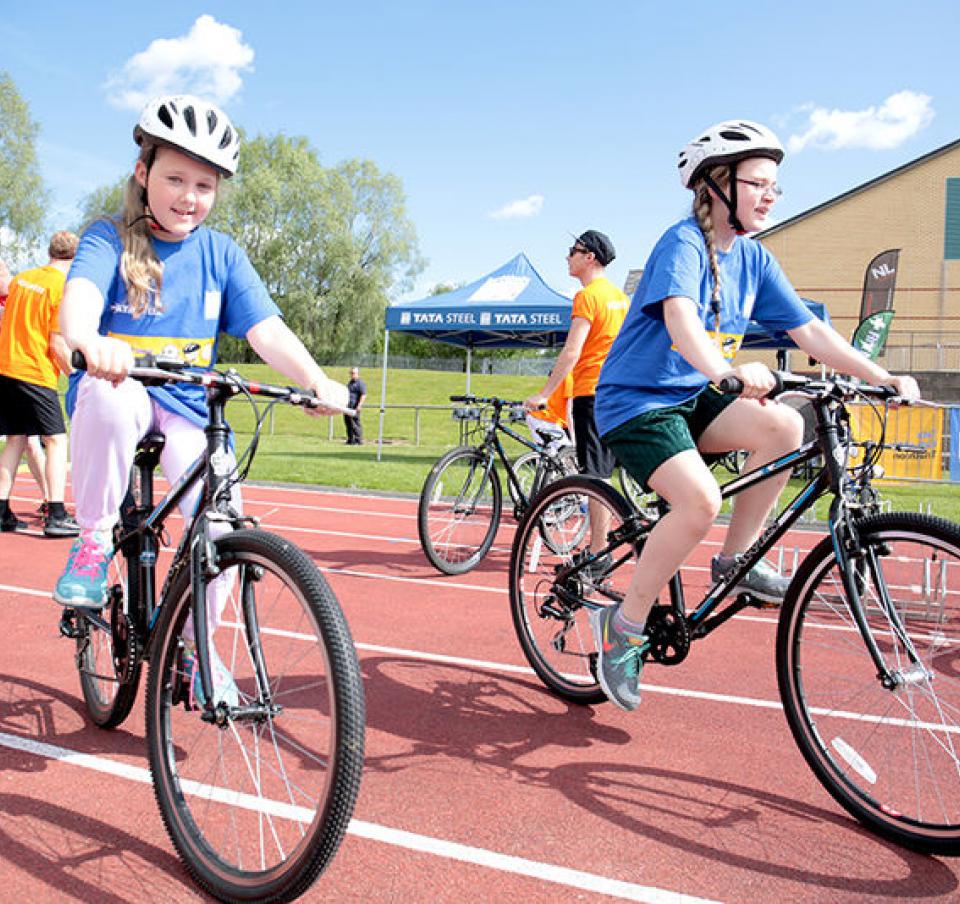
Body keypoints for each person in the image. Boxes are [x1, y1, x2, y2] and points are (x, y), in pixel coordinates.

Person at [589, 119, 920, 712]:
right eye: (759, 183)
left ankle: (735, 562)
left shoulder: (754, 260)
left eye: (776, 186)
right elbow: (681, 319)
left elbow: (810, 330)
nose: (771, 195)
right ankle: (624, 625)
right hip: (639, 399)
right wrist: (724, 370)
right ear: (717, 184)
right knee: (698, 502)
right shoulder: (684, 242)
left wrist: (882, 376)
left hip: (697, 394)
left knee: (785, 426)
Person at [53, 94, 348, 704]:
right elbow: (78, 299)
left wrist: (316, 381)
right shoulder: (109, 238)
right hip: (120, 391)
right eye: (176, 179)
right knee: (110, 403)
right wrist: (89, 341)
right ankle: (92, 542)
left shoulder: (222, 254)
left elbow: (267, 330)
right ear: (144, 173)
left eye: (204, 185)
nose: (189, 196)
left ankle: (194, 648)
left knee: (223, 515)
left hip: (189, 407)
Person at [524, 230, 629, 565]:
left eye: (573, 250)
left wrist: (544, 394)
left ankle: (599, 552)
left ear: (590, 258)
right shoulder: (621, 298)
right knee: (610, 471)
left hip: (592, 392)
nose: (567, 256)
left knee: (595, 477)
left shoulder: (587, 297)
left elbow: (572, 351)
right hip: (619, 392)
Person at [0, 231, 81, 536]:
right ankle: (56, 512)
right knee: (57, 440)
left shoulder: (21, 280)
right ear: (75, 259)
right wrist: (76, 374)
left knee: (16, 439)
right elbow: (57, 343)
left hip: (6, 367)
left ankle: (1, 511)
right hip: (34, 370)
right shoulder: (62, 287)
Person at [525, 372, 573, 454]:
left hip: (534, 417)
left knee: (547, 454)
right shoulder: (570, 379)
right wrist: (574, 440)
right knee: (568, 453)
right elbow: (569, 413)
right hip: (547, 419)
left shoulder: (561, 376)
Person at [344, 366, 367, 445]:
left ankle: (358, 440)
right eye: (351, 373)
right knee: (348, 423)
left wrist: (359, 405)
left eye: (353, 373)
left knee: (355, 424)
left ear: (357, 374)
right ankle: (350, 439)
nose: (352, 375)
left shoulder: (360, 383)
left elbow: (363, 395)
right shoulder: (350, 383)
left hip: (354, 407)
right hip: (347, 407)